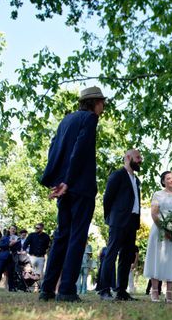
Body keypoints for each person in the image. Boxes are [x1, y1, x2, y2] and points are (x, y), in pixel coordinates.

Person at [39, 86, 106, 302]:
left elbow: (54, 149)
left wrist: (57, 180)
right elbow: (81, 149)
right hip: (79, 185)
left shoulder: (66, 120)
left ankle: (47, 289)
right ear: (95, 102)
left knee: (61, 236)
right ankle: (66, 290)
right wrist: (67, 181)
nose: (103, 106)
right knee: (77, 237)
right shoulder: (90, 119)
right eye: (102, 102)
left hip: (65, 186)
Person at [98, 148, 143, 301]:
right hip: (118, 221)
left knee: (126, 257)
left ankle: (121, 291)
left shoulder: (136, 180)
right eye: (138, 157)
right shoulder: (117, 175)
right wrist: (110, 218)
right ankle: (104, 290)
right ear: (128, 157)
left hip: (132, 222)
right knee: (111, 254)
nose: (140, 160)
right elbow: (107, 199)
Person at [143, 171, 172, 303]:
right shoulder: (158, 194)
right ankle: (154, 291)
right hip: (159, 230)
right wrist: (164, 228)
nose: (171, 180)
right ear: (163, 181)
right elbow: (154, 213)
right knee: (157, 258)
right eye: (168, 178)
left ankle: (169, 293)